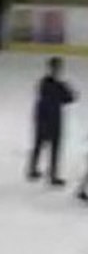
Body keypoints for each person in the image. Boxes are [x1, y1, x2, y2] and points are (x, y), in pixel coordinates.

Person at [28, 56, 77, 186]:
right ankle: (50, 174)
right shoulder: (57, 86)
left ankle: (36, 169)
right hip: (51, 118)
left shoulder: (44, 83)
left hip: (45, 117)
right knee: (49, 146)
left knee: (42, 144)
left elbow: (70, 97)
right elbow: (70, 97)